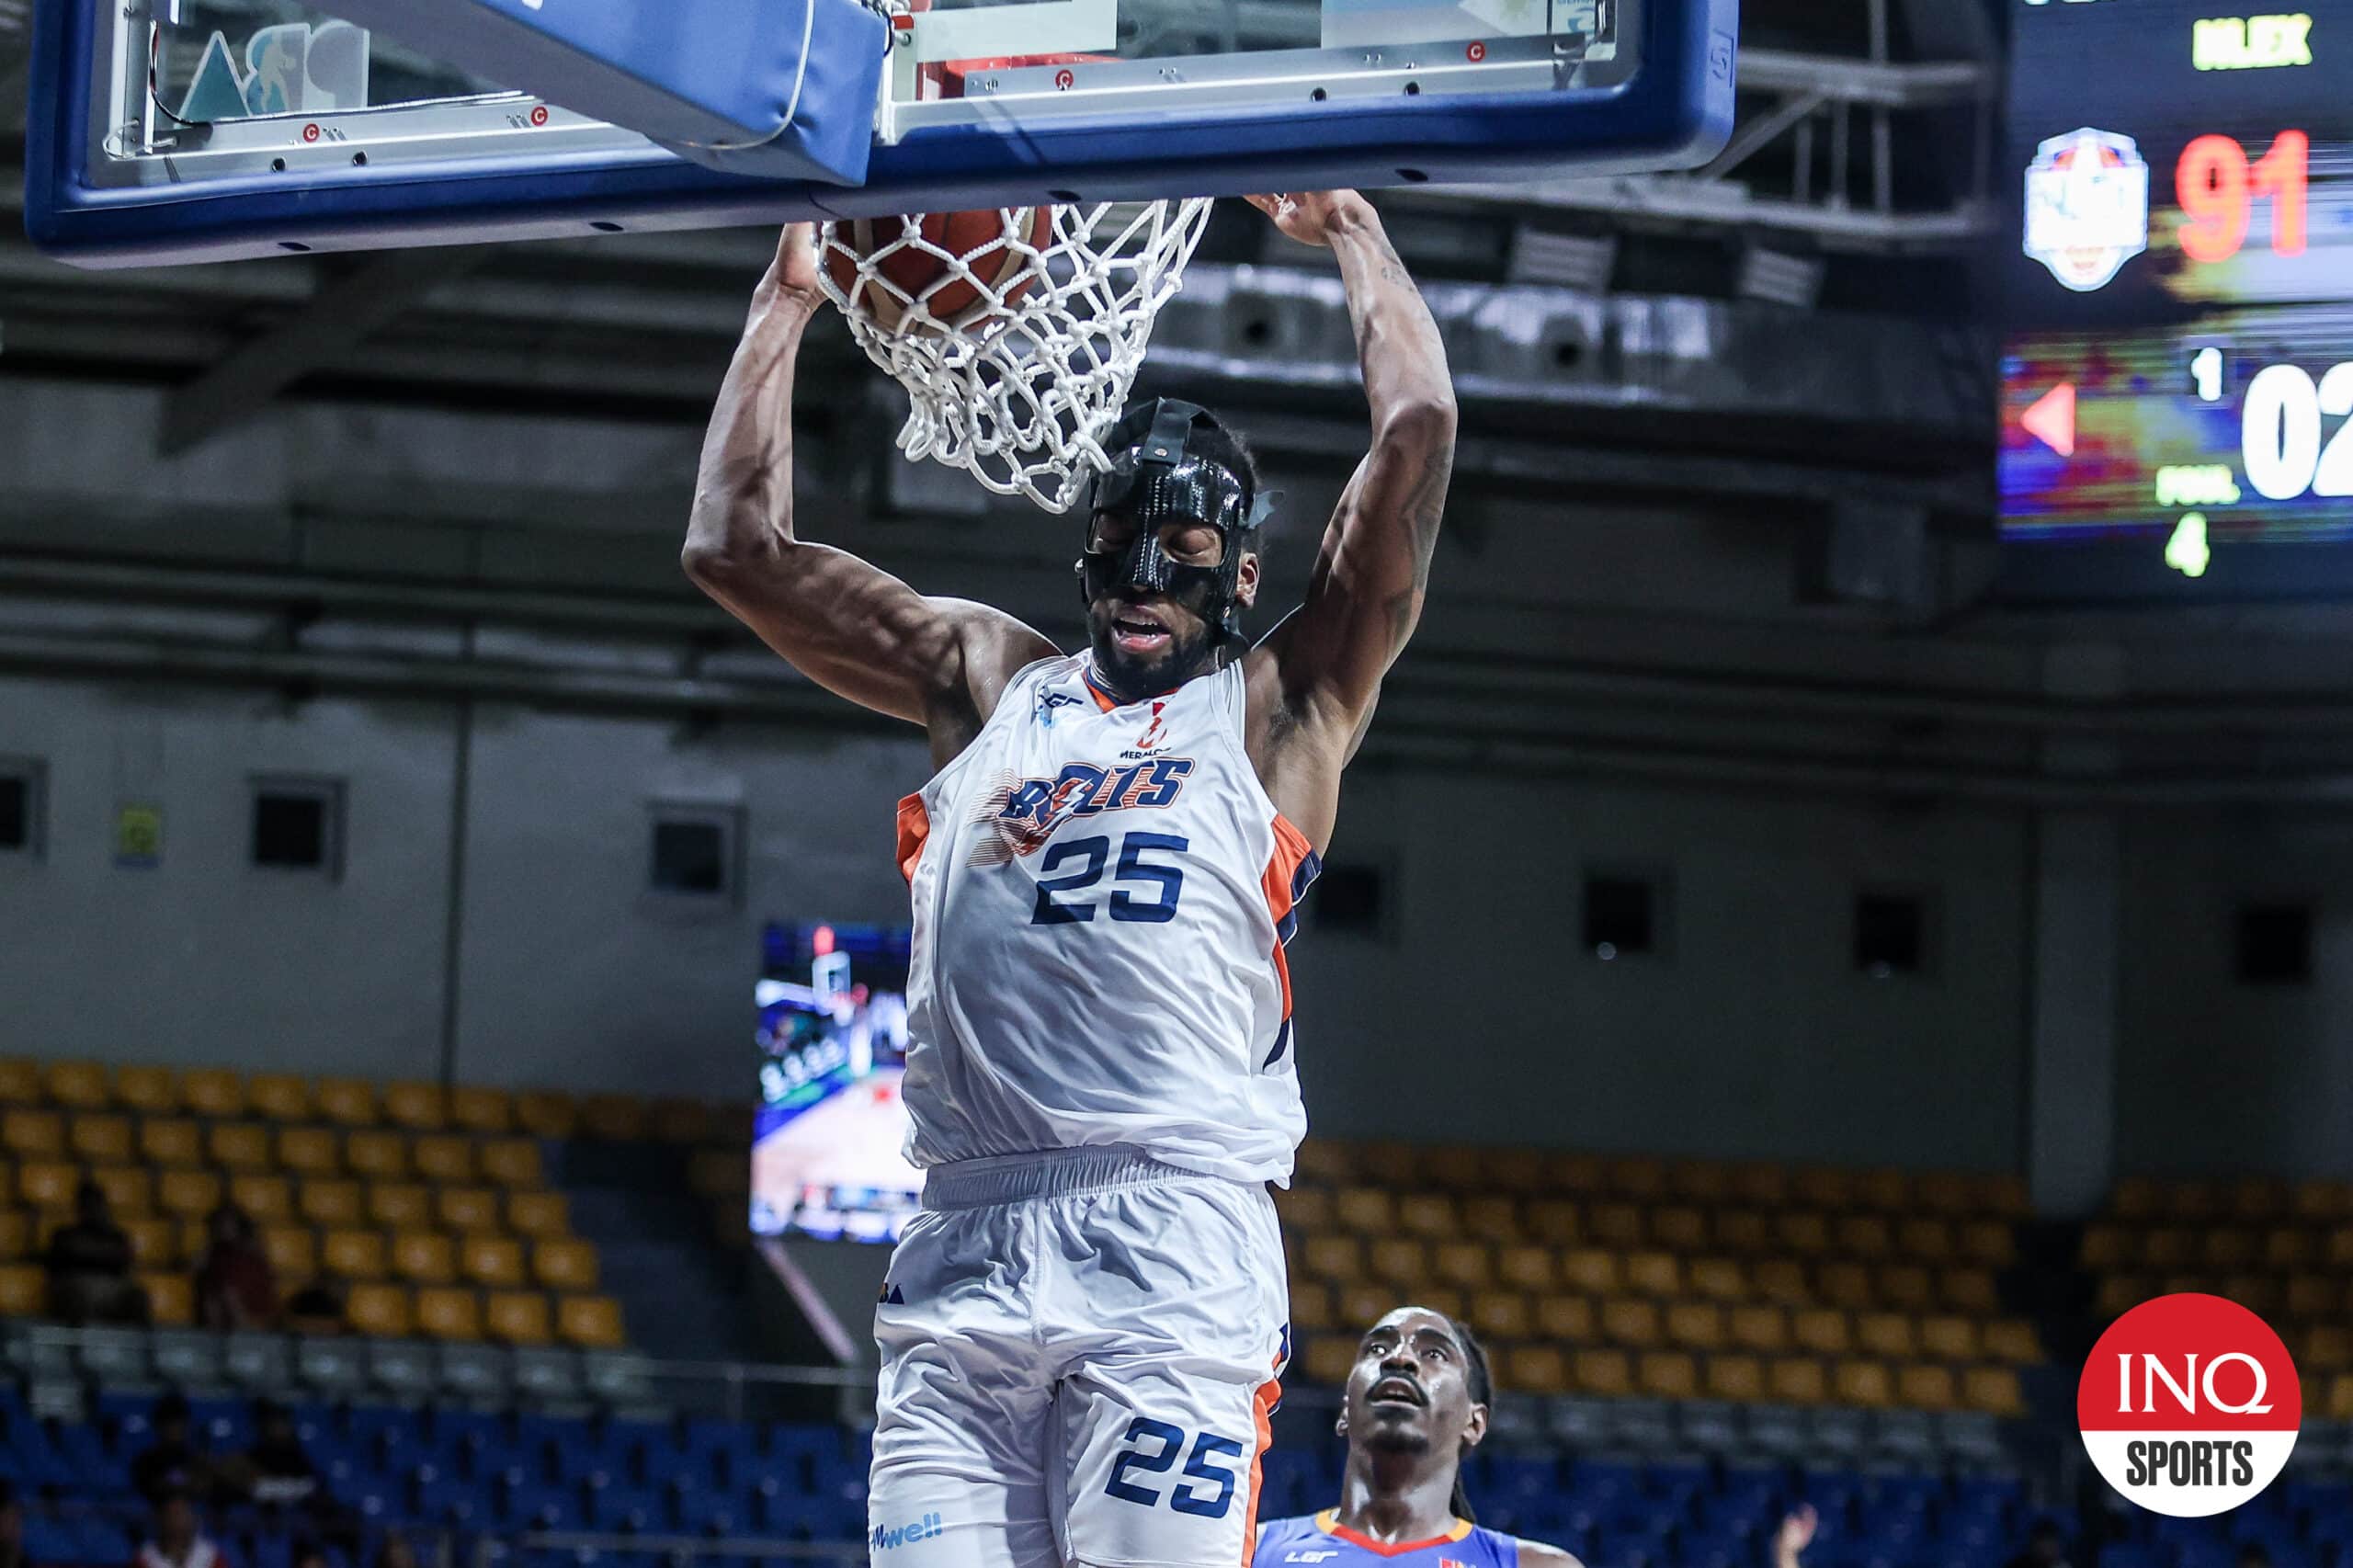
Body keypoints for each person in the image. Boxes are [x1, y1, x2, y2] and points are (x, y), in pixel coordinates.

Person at [685, 190, 1457, 1568]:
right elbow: (735, 551)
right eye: (1120, 544)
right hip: (965, 1230)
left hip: (1168, 1237)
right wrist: (787, 298)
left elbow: (1417, 436)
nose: (1144, 576)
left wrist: (1349, 227)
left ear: (1241, 574)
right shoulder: (990, 684)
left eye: (1187, 552)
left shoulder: (1278, 710)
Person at [1261, 1306, 1821, 1567]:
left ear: (1474, 1421)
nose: (1401, 1358)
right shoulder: (1250, 1550)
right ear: (1344, 1409)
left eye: (1433, 1353)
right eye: (1378, 1349)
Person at [43, 1179, 145, 1326]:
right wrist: (103, 1255)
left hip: (112, 1288)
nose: (94, 1210)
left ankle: (141, 1347)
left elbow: (124, 1263)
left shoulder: (116, 1236)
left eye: (98, 1205)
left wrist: (86, 1253)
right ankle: (78, 1345)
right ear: (80, 1208)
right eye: (88, 1205)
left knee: (138, 1296)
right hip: (77, 1286)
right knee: (77, 1296)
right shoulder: (64, 1235)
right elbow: (57, 1266)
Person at [195, 1204, 278, 1332]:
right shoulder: (214, 1253)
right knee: (214, 1296)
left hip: (249, 1305)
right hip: (219, 1304)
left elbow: (259, 1282)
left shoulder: (251, 1252)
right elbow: (197, 1268)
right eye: (221, 1225)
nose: (225, 1229)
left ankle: (243, 1334)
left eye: (229, 1224)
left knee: (229, 1294)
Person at [131, 1395, 210, 1507]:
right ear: (160, 1426)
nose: (176, 1430)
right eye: (171, 1424)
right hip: (160, 1512)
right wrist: (178, 1484)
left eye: (180, 1424)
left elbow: (202, 1487)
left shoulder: (193, 1457)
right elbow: (149, 1486)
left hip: (189, 1513)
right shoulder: (147, 1458)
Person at [134, 1491, 231, 1568]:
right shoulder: (146, 1557)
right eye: (171, 1514)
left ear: (193, 1518)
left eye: (182, 1513)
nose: (177, 1520)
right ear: (160, 1518)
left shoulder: (210, 1555)